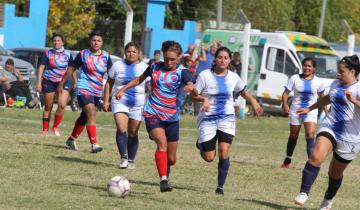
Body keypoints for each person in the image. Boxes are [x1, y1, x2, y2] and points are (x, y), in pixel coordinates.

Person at [114, 40, 196, 192]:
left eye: (173, 59)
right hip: (153, 113)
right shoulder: (154, 67)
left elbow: (190, 83)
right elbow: (139, 79)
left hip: (172, 118)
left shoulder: (183, 72)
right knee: (161, 142)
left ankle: (166, 169)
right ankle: (163, 181)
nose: (169, 62)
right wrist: (123, 89)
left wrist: (191, 87)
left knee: (171, 159)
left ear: (179, 57)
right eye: (166, 58)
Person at [191, 46, 263, 195]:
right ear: (215, 59)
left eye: (225, 58)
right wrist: (203, 99)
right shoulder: (205, 75)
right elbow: (193, 95)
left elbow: (243, 92)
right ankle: (201, 144)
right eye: (220, 57)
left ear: (229, 60)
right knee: (209, 157)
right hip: (207, 118)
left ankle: (220, 187)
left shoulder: (233, 76)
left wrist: (254, 102)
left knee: (224, 151)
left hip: (227, 117)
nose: (223, 60)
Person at [293, 55, 360, 209]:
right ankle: (304, 192)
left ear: (352, 72)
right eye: (338, 71)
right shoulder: (336, 83)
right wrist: (310, 108)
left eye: (341, 72)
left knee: (334, 174)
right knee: (316, 156)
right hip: (331, 125)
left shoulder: (358, 88)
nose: (338, 74)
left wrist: (354, 101)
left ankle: (328, 200)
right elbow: (328, 99)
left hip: (351, 137)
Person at [58, 30, 112, 153]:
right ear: (90, 41)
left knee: (85, 116)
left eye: (99, 41)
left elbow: (111, 76)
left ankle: (71, 139)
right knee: (91, 111)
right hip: (84, 87)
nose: (96, 43)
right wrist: (61, 84)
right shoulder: (83, 54)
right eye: (94, 40)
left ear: (102, 42)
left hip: (97, 90)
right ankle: (94, 144)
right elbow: (71, 69)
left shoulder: (106, 56)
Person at [103, 41, 148, 169]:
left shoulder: (145, 67)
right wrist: (106, 100)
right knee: (121, 127)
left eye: (134, 51)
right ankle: (123, 157)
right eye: (129, 51)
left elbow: (150, 86)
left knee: (133, 132)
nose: (131, 54)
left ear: (138, 53)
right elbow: (109, 83)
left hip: (138, 103)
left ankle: (131, 160)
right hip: (119, 100)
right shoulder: (117, 65)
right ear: (125, 53)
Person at [281, 58, 327, 168]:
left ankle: (311, 164)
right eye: (305, 65)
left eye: (309, 66)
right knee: (293, 135)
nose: (307, 68)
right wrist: (285, 104)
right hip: (296, 110)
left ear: (314, 68)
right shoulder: (294, 78)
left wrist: (326, 111)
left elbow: (323, 97)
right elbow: (285, 93)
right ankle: (287, 160)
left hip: (311, 110)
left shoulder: (318, 81)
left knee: (310, 134)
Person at [35, 33, 75, 136]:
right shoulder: (48, 53)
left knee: (62, 105)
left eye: (58, 40)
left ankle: (55, 127)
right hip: (49, 81)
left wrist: (75, 81)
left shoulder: (68, 54)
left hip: (65, 81)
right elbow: (41, 67)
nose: (56, 42)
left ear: (63, 42)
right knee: (48, 106)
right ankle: (45, 129)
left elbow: (72, 69)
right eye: (54, 40)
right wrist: (39, 82)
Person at [193, 41, 219, 116]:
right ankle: (196, 112)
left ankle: (208, 110)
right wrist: (211, 44)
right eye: (213, 48)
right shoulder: (206, 53)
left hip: (210, 79)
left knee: (207, 95)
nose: (214, 49)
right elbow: (203, 48)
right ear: (211, 48)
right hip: (199, 77)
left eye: (215, 48)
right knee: (196, 94)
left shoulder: (216, 57)